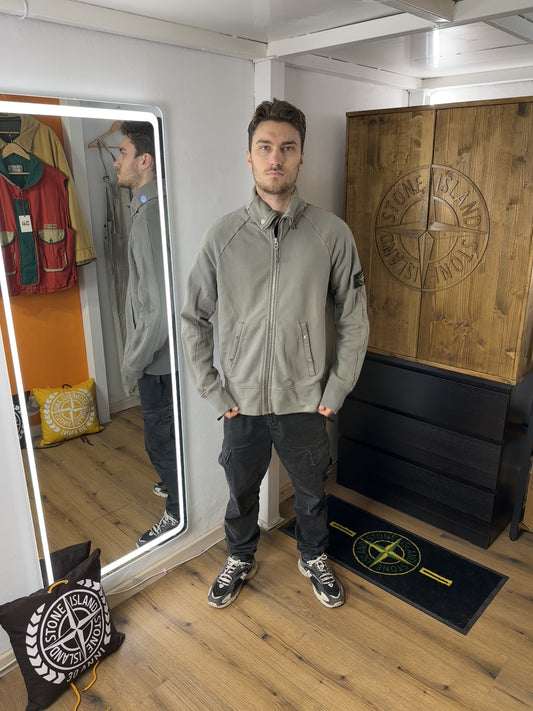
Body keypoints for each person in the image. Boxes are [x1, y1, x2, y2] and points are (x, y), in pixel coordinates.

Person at [181, 99, 369, 609]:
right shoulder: (223, 236)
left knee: (311, 491)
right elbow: (192, 318)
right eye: (265, 147)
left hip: (306, 401)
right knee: (241, 492)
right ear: (249, 156)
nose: (276, 158)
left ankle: (314, 555)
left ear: (301, 157)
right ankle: (240, 556)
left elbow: (354, 318)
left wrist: (335, 391)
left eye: (287, 148)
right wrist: (214, 391)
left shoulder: (331, 234)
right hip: (240, 403)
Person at [114, 121, 180, 546]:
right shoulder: (149, 208)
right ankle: (177, 487)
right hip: (164, 355)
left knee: (160, 442)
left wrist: (132, 361)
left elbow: (158, 308)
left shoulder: (148, 217)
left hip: (158, 360)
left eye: (122, 153)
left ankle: (177, 512)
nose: (116, 162)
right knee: (167, 436)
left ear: (145, 161)